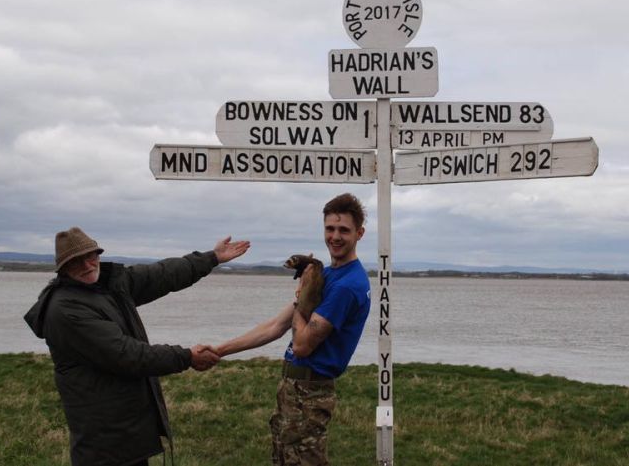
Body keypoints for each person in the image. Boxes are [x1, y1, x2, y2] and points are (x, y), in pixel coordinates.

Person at [24, 227, 250, 466]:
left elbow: (162, 274)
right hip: (103, 439)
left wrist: (211, 258)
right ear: (63, 270)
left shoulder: (108, 286)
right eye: (76, 262)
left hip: (124, 432)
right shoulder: (66, 310)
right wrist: (186, 357)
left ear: (98, 255)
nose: (87, 265)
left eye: (90, 257)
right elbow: (127, 355)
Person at [215, 193, 371, 465]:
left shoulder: (347, 286)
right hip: (294, 391)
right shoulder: (330, 274)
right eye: (329, 228)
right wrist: (220, 350)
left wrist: (302, 296)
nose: (335, 236)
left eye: (344, 230)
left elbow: (301, 344)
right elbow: (276, 325)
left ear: (359, 233)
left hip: (309, 396)